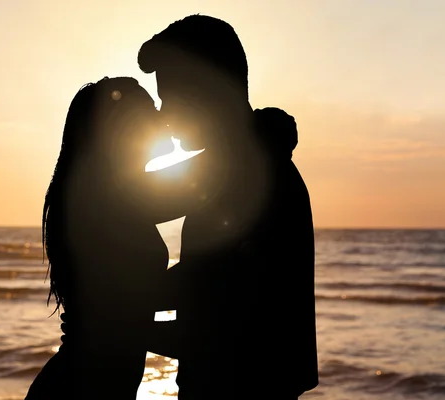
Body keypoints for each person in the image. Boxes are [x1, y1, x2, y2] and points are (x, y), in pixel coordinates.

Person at [137, 15, 318, 399]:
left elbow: (220, 320)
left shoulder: (247, 170)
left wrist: (116, 324)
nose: (163, 115)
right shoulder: (241, 160)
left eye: (169, 98)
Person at [25, 76, 205, 399]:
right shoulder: (102, 197)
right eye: (149, 111)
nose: (161, 119)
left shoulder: (118, 191)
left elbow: (134, 302)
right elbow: (201, 185)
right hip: (79, 388)